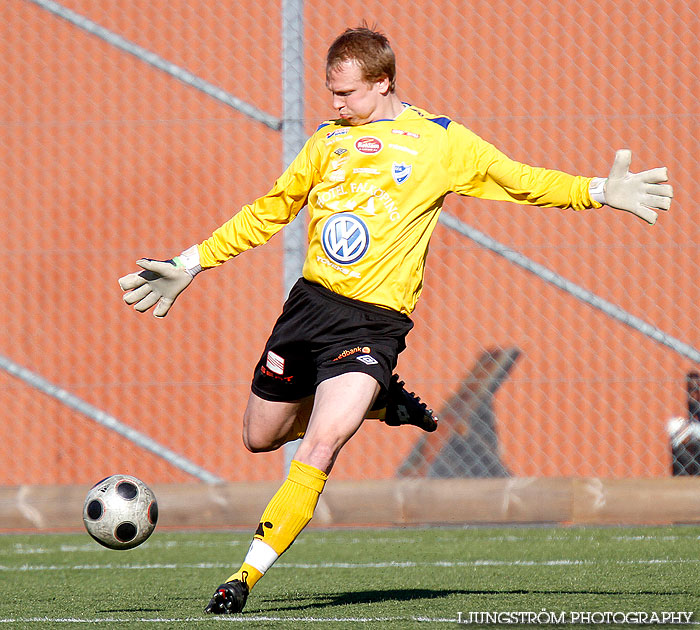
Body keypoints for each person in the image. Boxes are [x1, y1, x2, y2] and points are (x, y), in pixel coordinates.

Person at [118, 26, 673, 614]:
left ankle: (243, 578)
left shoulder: (440, 142)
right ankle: (385, 402)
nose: (336, 105)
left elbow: (519, 180)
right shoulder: (327, 143)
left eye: (348, 94)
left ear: (383, 82)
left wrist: (596, 190)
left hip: (372, 326)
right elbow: (270, 210)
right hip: (307, 310)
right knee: (260, 437)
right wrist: (191, 262)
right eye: (331, 93)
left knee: (324, 441)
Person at [667, 372, 700, 475]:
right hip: (688, 427)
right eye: (690, 390)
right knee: (675, 429)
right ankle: (680, 475)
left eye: (695, 390)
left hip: (695, 428)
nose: (692, 395)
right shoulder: (682, 402)